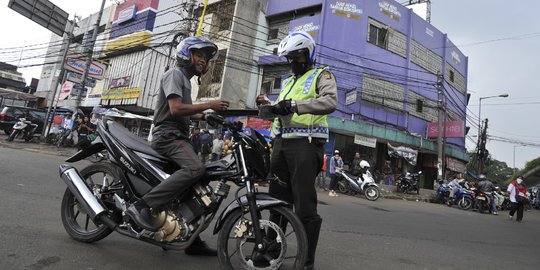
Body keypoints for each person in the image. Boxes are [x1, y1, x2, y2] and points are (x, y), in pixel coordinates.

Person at [126, 36, 229, 256]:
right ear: (186, 54)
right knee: (195, 169)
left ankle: (190, 238)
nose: (203, 60)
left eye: (206, 57)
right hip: (168, 136)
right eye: (199, 54)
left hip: (179, 137)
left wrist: (207, 115)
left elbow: (186, 111)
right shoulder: (175, 75)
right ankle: (142, 205)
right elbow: (175, 109)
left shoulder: (185, 81)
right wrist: (210, 104)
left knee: (197, 185)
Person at [257, 30, 338, 270]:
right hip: (281, 146)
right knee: (276, 204)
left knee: (304, 208)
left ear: (307, 54)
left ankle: (305, 263)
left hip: (305, 146)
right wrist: (270, 108)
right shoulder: (288, 81)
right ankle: (270, 256)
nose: (291, 62)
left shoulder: (322, 75)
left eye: (295, 57)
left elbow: (330, 102)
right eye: (289, 58)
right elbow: (283, 111)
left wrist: (294, 105)